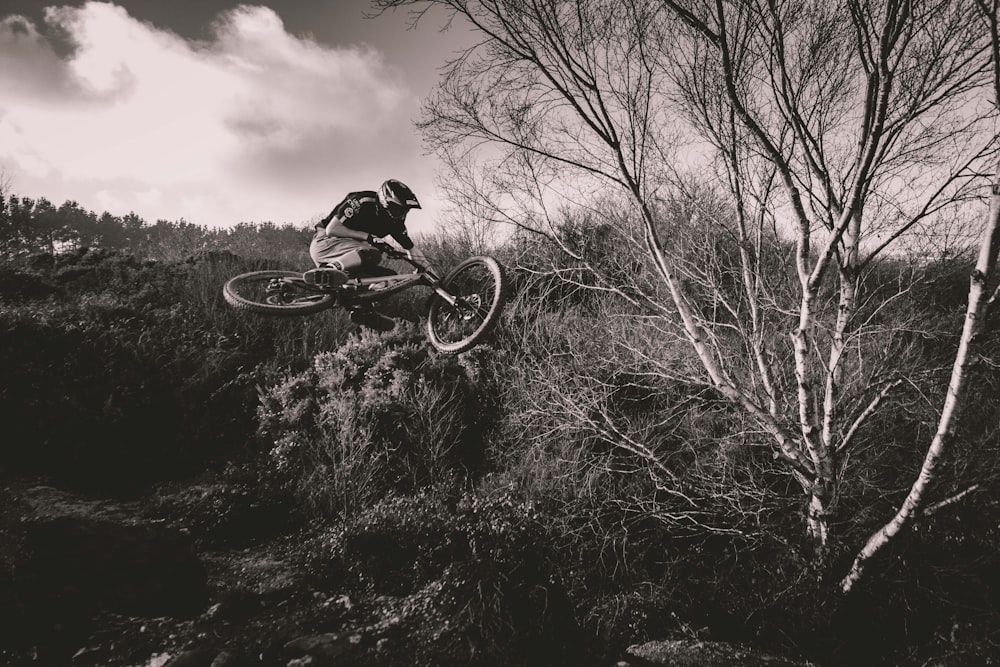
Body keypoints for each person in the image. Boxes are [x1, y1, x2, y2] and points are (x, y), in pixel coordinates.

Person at [308, 179, 435, 331]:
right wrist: (368, 236)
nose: (400, 216)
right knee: (372, 253)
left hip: (350, 256)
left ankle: (362, 309)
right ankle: (330, 269)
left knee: (389, 279)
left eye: (404, 212)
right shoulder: (362, 201)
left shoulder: (395, 223)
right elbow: (332, 229)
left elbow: (413, 251)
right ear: (384, 203)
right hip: (327, 243)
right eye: (397, 210)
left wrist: (437, 280)